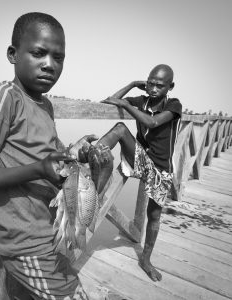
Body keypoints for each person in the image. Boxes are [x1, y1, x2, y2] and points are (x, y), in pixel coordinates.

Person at [0, 12, 95, 300]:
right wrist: (38, 169)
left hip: (52, 231)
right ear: (13, 54)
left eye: (58, 58)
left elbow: (50, 152)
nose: (49, 64)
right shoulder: (3, 98)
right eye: (38, 53)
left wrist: (75, 151)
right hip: (27, 244)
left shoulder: (45, 104)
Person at [91, 64, 182, 282]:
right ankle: (90, 160)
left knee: (154, 215)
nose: (153, 88)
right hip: (140, 159)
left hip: (160, 170)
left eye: (159, 85)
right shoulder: (142, 101)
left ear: (170, 86)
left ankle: (146, 260)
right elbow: (111, 99)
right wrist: (132, 85)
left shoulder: (173, 104)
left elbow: (151, 122)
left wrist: (126, 104)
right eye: (150, 83)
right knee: (121, 128)